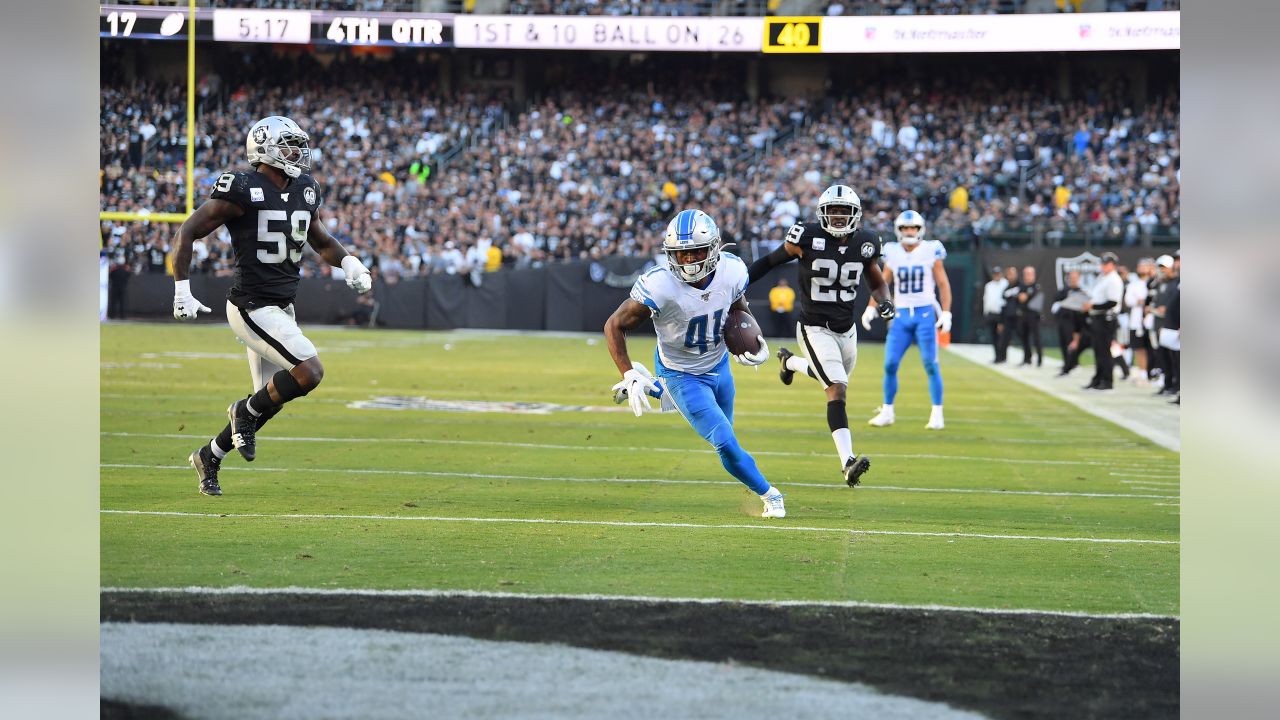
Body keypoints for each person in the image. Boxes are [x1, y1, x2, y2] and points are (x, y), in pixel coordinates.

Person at [171, 116, 373, 496]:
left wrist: (349, 261)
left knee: (270, 400)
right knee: (309, 372)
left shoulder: (305, 188)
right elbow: (188, 231)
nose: (298, 152)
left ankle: (209, 455)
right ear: (264, 147)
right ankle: (241, 413)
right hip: (250, 305)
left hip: (281, 306)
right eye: (290, 145)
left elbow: (321, 238)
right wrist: (182, 288)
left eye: (299, 144)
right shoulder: (242, 187)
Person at [603, 209, 782, 517]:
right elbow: (613, 325)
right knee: (725, 443)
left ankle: (653, 389)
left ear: (713, 248)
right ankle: (771, 495)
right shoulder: (660, 285)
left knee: (729, 434)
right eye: (681, 253)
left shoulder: (733, 270)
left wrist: (751, 335)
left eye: (696, 251)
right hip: (680, 372)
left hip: (719, 364)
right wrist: (628, 371)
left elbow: (737, 305)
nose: (689, 260)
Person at [746, 184, 894, 487]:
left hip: (846, 329)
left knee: (829, 377)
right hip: (814, 326)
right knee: (836, 387)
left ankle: (789, 364)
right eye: (833, 211)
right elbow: (770, 262)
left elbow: (876, 281)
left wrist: (886, 301)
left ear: (856, 215)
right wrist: (738, 283)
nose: (838, 216)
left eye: (844, 211)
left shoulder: (866, 244)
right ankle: (847, 462)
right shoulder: (806, 238)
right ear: (822, 213)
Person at [863, 210, 952, 430]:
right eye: (905, 228)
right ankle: (887, 411)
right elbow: (882, 283)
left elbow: (943, 284)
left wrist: (947, 311)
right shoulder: (893, 252)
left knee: (931, 364)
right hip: (901, 314)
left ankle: (937, 413)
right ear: (898, 230)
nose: (909, 232)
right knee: (890, 364)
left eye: (913, 228)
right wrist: (870, 307)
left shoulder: (931, 250)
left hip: (924, 313)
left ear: (920, 230)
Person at [1082, 252, 1123, 390]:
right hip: (1098, 318)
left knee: (1105, 351)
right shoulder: (1102, 278)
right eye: (1103, 263)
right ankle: (1098, 378)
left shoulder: (1114, 279)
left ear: (1113, 265)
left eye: (1106, 263)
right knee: (1098, 350)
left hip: (1106, 319)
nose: (1103, 266)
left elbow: (1112, 302)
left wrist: (1093, 306)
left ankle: (1107, 380)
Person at [1052, 270, 1090, 375]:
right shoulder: (1065, 290)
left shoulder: (1081, 291)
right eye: (1071, 277)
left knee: (1072, 343)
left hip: (1074, 321)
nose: (1073, 279)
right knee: (1063, 342)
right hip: (1063, 320)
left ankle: (1073, 363)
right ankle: (1066, 363)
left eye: (1075, 277)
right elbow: (1056, 299)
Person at [1016, 265, 1044, 367]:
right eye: (1025, 274)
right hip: (1023, 315)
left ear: (1033, 275)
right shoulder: (1022, 287)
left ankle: (1040, 359)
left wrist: (1025, 296)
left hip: (1033, 316)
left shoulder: (1036, 286)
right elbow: (1019, 298)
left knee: (1036, 338)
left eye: (1029, 274)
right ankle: (1027, 359)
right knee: (1024, 337)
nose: (1027, 276)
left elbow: (1028, 298)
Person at [982, 266, 1007, 362]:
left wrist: (1003, 318)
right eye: (995, 274)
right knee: (994, 337)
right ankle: (997, 357)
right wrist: (986, 313)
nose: (997, 275)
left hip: (1001, 314)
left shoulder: (1005, 284)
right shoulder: (989, 285)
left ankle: (1002, 357)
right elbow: (986, 299)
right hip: (991, 314)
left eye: (998, 273)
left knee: (1002, 336)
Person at [997, 265, 1020, 363]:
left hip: (1019, 317)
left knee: (1024, 337)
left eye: (1012, 274)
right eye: (1009, 274)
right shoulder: (1005, 288)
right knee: (1004, 338)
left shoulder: (1021, 286)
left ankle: (1028, 359)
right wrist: (1001, 321)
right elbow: (1003, 305)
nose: (1011, 276)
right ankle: (1002, 358)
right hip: (1007, 317)